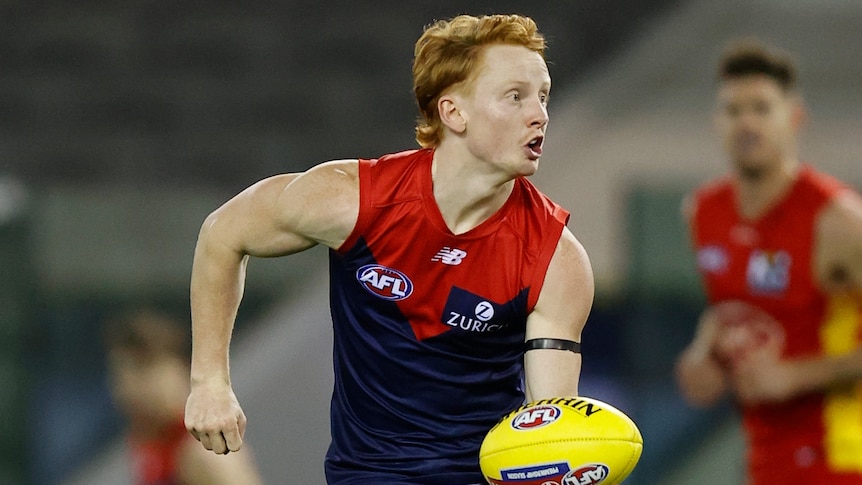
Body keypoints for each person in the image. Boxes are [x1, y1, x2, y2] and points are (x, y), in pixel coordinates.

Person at [183, 13, 595, 484]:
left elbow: (544, 428)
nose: (539, 113)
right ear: (453, 111)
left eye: (543, 95)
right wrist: (209, 383)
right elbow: (222, 234)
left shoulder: (556, 260)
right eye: (515, 96)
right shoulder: (352, 199)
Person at [675, 38, 862, 484]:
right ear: (716, 122)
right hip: (764, 458)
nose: (747, 123)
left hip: (843, 458)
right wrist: (704, 355)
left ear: (795, 118)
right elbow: (732, 312)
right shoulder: (703, 212)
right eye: (733, 110)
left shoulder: (838, 221)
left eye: (761, 108)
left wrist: (797, 376)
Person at [103, 307, 263, 485]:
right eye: (121, 376)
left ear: (183, 368)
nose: (129, 388)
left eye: (142, 368)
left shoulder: (207, 454)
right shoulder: (150, 447)